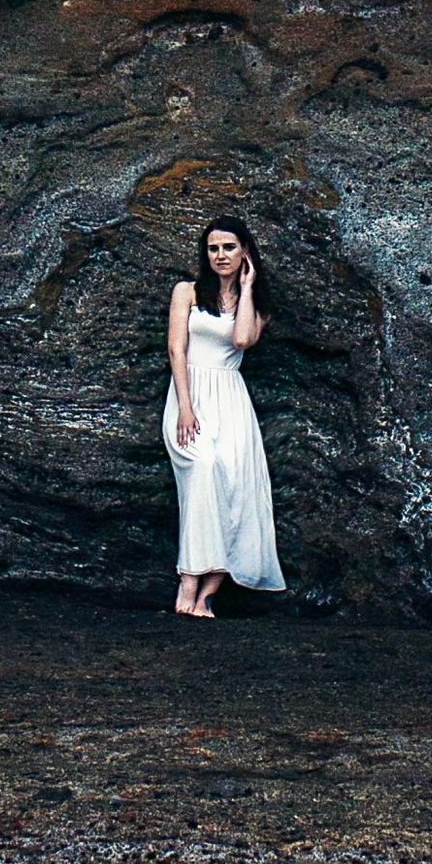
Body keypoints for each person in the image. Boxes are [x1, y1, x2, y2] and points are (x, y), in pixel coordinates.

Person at [163, 215, 284, 619]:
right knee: (202, 466)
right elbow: (177, 350)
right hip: (190, 395)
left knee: (232, 488)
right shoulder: (186, 292)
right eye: (213, 248)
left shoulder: (259, 304)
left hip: (231, 400)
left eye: (229, 247)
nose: (220, 255)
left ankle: (207, 594)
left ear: (244, 251)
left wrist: (247, 289)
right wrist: (184, 406)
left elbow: (241, 340)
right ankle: (188, 577)